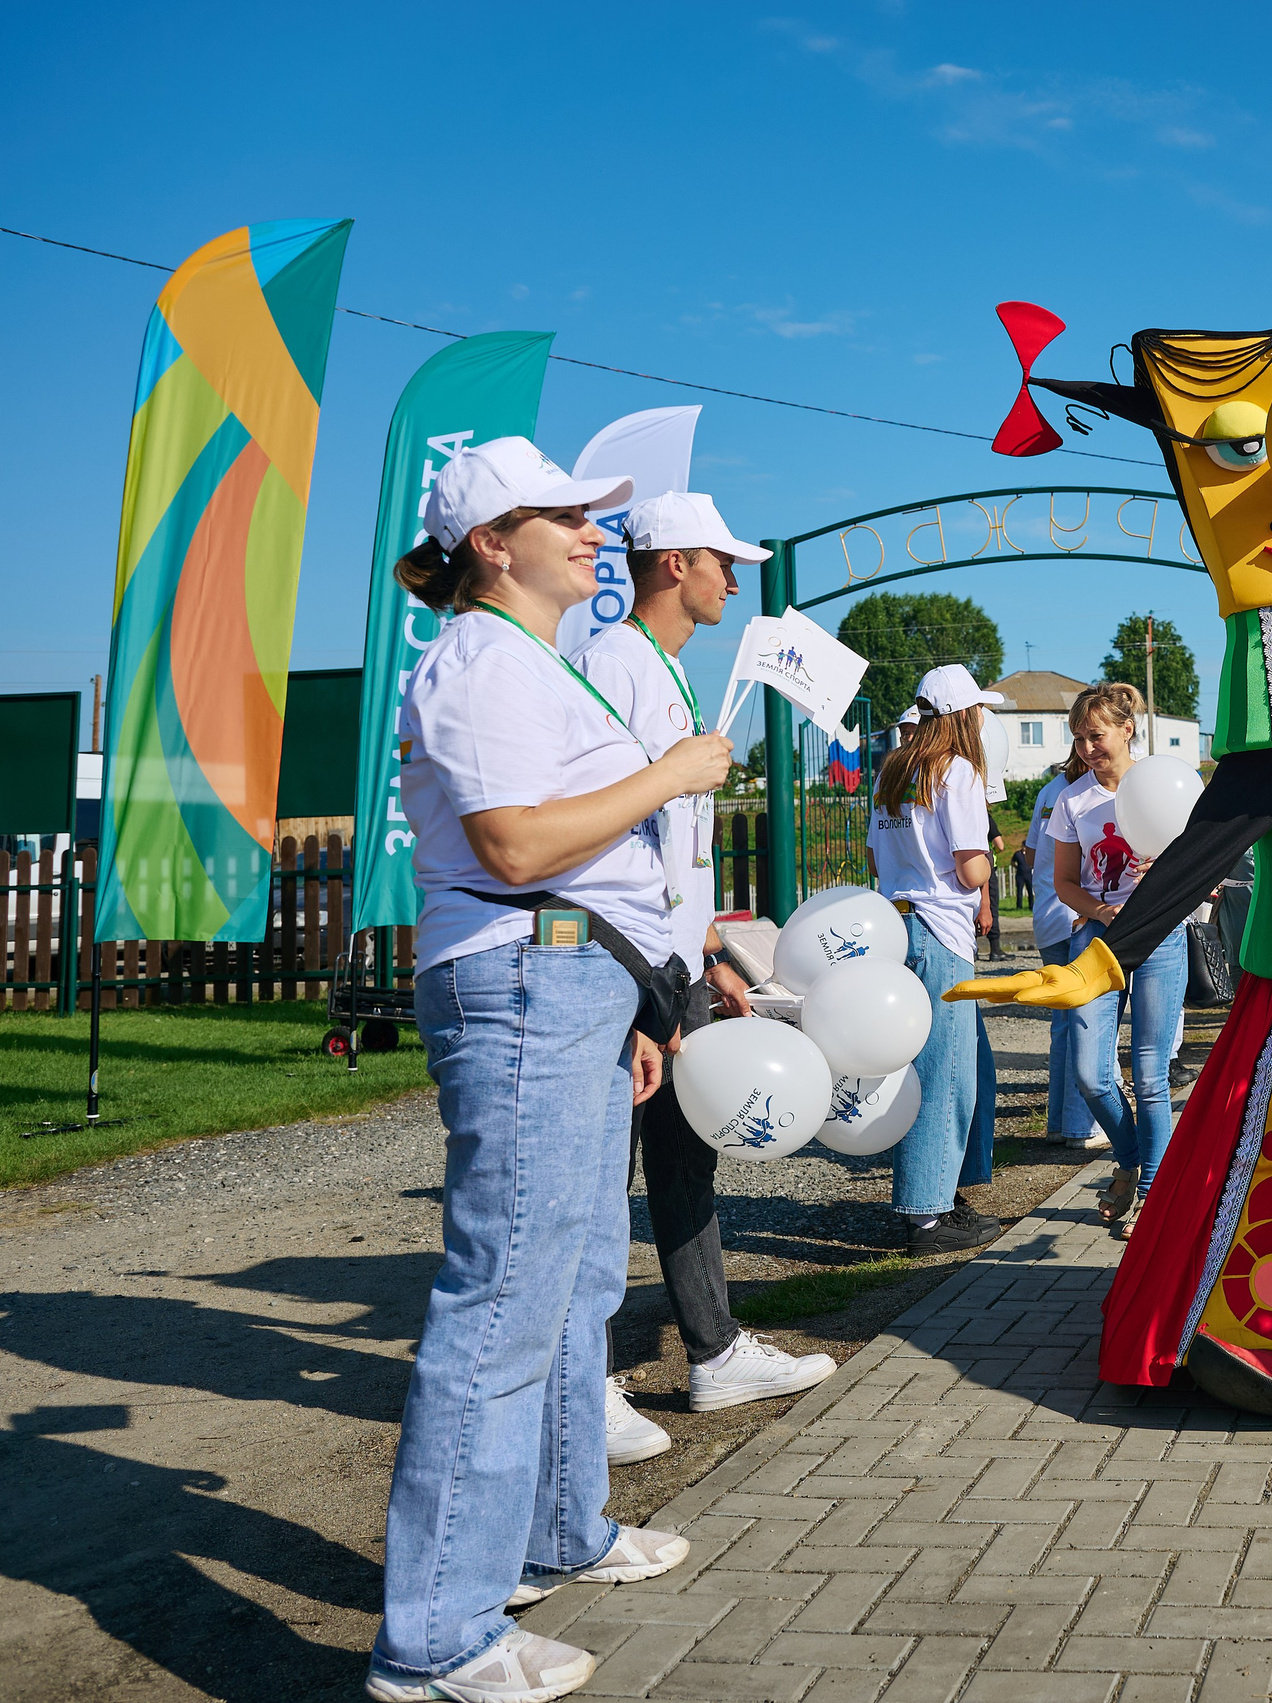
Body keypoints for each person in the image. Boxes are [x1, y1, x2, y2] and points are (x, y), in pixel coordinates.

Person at [370, 438, 726, 1701]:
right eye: (562, 514)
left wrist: (631, 1002)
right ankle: (436, 1639)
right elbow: (516, 847)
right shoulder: (479, 662)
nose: (591, 532)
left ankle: (558, 1531)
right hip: (523, 976)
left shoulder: (530, 659)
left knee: (571, 1283)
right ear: (490, 542)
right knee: (505, 1303)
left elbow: (575, 865)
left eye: (590, 514)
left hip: (569, 981)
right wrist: (668, 775)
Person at [575, 493, 836, 1460]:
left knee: (685, 1163)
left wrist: (711, 954)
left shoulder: (667, 668)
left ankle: (714, 1352)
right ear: (676, 562)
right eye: (723, 561)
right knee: (603, 1179)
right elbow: (610, 836)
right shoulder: (613, 664)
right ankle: (585, 1384)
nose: (734, 578)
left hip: (674, 964)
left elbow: (673, 846)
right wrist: (649, 983)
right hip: (625, 967)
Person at [867, 667, 1007, 1256]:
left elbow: (876, 861)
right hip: (941, 928)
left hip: (896, 924)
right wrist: (992, 865)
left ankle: (940, 1194)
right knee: (945, 1073)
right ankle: (926, 1214)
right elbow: (971, 869)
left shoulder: (893, 769)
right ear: (963, 716)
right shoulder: (959, 772)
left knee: (932, 1065)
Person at [1045, 681, 1190, 1223]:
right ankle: (1130, 1162)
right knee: (1089, 1074)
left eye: (1096, 735)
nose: (1086, 748)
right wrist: (1102, 911)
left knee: (1151, 1076)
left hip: (1161, 935)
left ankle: (1152, 1193)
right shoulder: (1072, 799)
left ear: (1127, 730)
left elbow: (1199, 860)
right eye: (1079, 738)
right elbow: (1064, 882)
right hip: (1097, 942)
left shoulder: (1165, 781)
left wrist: (1167, 869)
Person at [1019, 757, 1104, 1150]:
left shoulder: (1049, 791)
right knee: (1086, 1023)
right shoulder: (1091, 794)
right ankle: (1080, 1127)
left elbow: (1031, 855)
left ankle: (1057, 1122)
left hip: (1048, 916)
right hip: (1080, 916)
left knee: (1063, 1024)